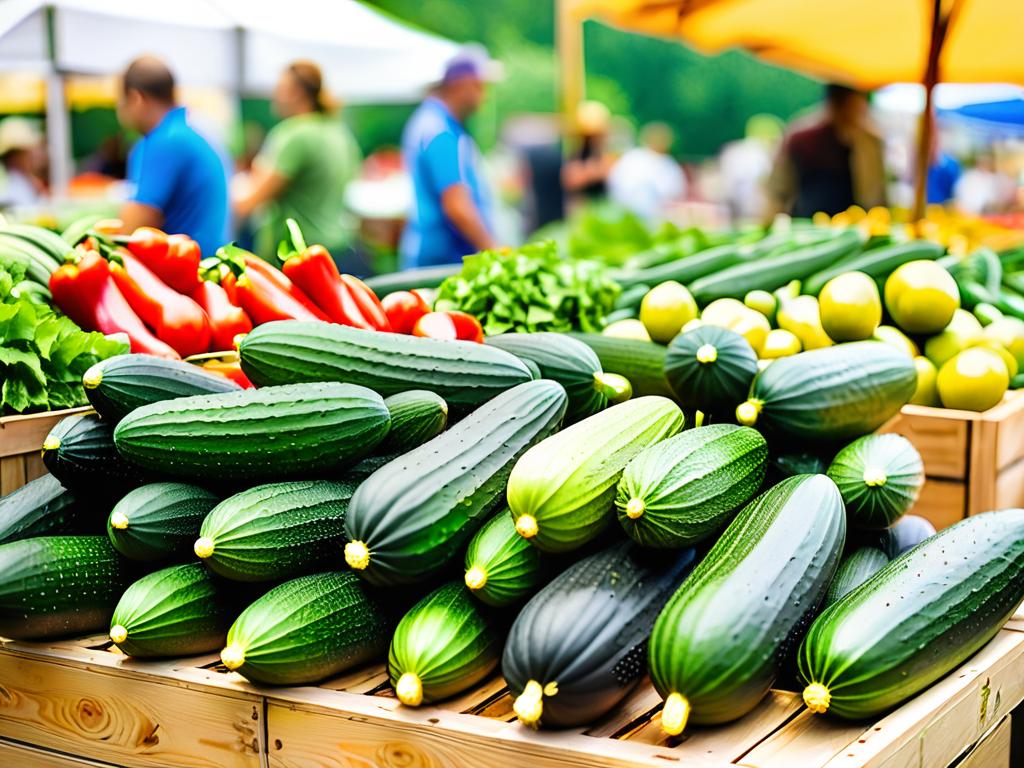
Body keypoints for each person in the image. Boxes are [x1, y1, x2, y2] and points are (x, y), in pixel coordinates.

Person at [233, 62, 363, 266]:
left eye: (279, 89)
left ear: (295, 93)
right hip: (336, 249)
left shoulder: (294, 135)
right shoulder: (339, 133)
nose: (273, 96)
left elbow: (250, 201)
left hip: (295, 260)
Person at [399, 45, 499, 269]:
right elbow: (457, 205)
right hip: (440, 262)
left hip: (435, 255)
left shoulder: (431, 121)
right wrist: (494, 252)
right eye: (479, 87)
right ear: (460, 84)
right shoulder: (440, 131)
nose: (483, 96)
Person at [117, 56, 229, 254]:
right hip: (211, 264)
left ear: (136, 98)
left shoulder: (164, 141)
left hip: (190, 274)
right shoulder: (192, 132)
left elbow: (133, 226)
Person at [767, 84, 886, 218]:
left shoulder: (869, 141)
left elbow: (878, 190)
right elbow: (778, 186)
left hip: (854, 225)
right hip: (808, 225)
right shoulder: (802, 136)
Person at [608, 122, 686, 222]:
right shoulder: (633, 158)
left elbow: (674, 194)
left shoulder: (668, 164)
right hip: (631, 216)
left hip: (654, 219)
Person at [562, 100, 614, 211]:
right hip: (583, 207)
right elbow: (572, 180)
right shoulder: (576, 155)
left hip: (601, 206)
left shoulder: (601, 154)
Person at [0, 117, 46, 207]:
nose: (35, 155)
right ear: (16, 156)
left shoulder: (26, 182)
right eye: (29, 152)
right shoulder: (13, 191)